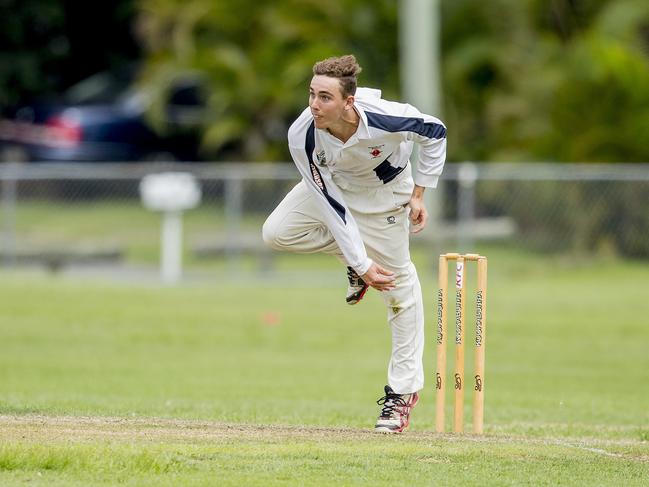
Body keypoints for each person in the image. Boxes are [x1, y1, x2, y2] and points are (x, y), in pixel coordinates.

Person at [262, 54, 446, 433]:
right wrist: (359, 261)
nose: (315, 105)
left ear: (349, 101)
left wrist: (420, 193)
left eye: (325, 97)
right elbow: (329, 203)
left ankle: (402, 394)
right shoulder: (303, 134)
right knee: (277, 232)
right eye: (312, 94)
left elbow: (436, 131)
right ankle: (356, 263)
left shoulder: (386, 115)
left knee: (398, 291)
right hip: (337, 192)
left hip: (386, 196)